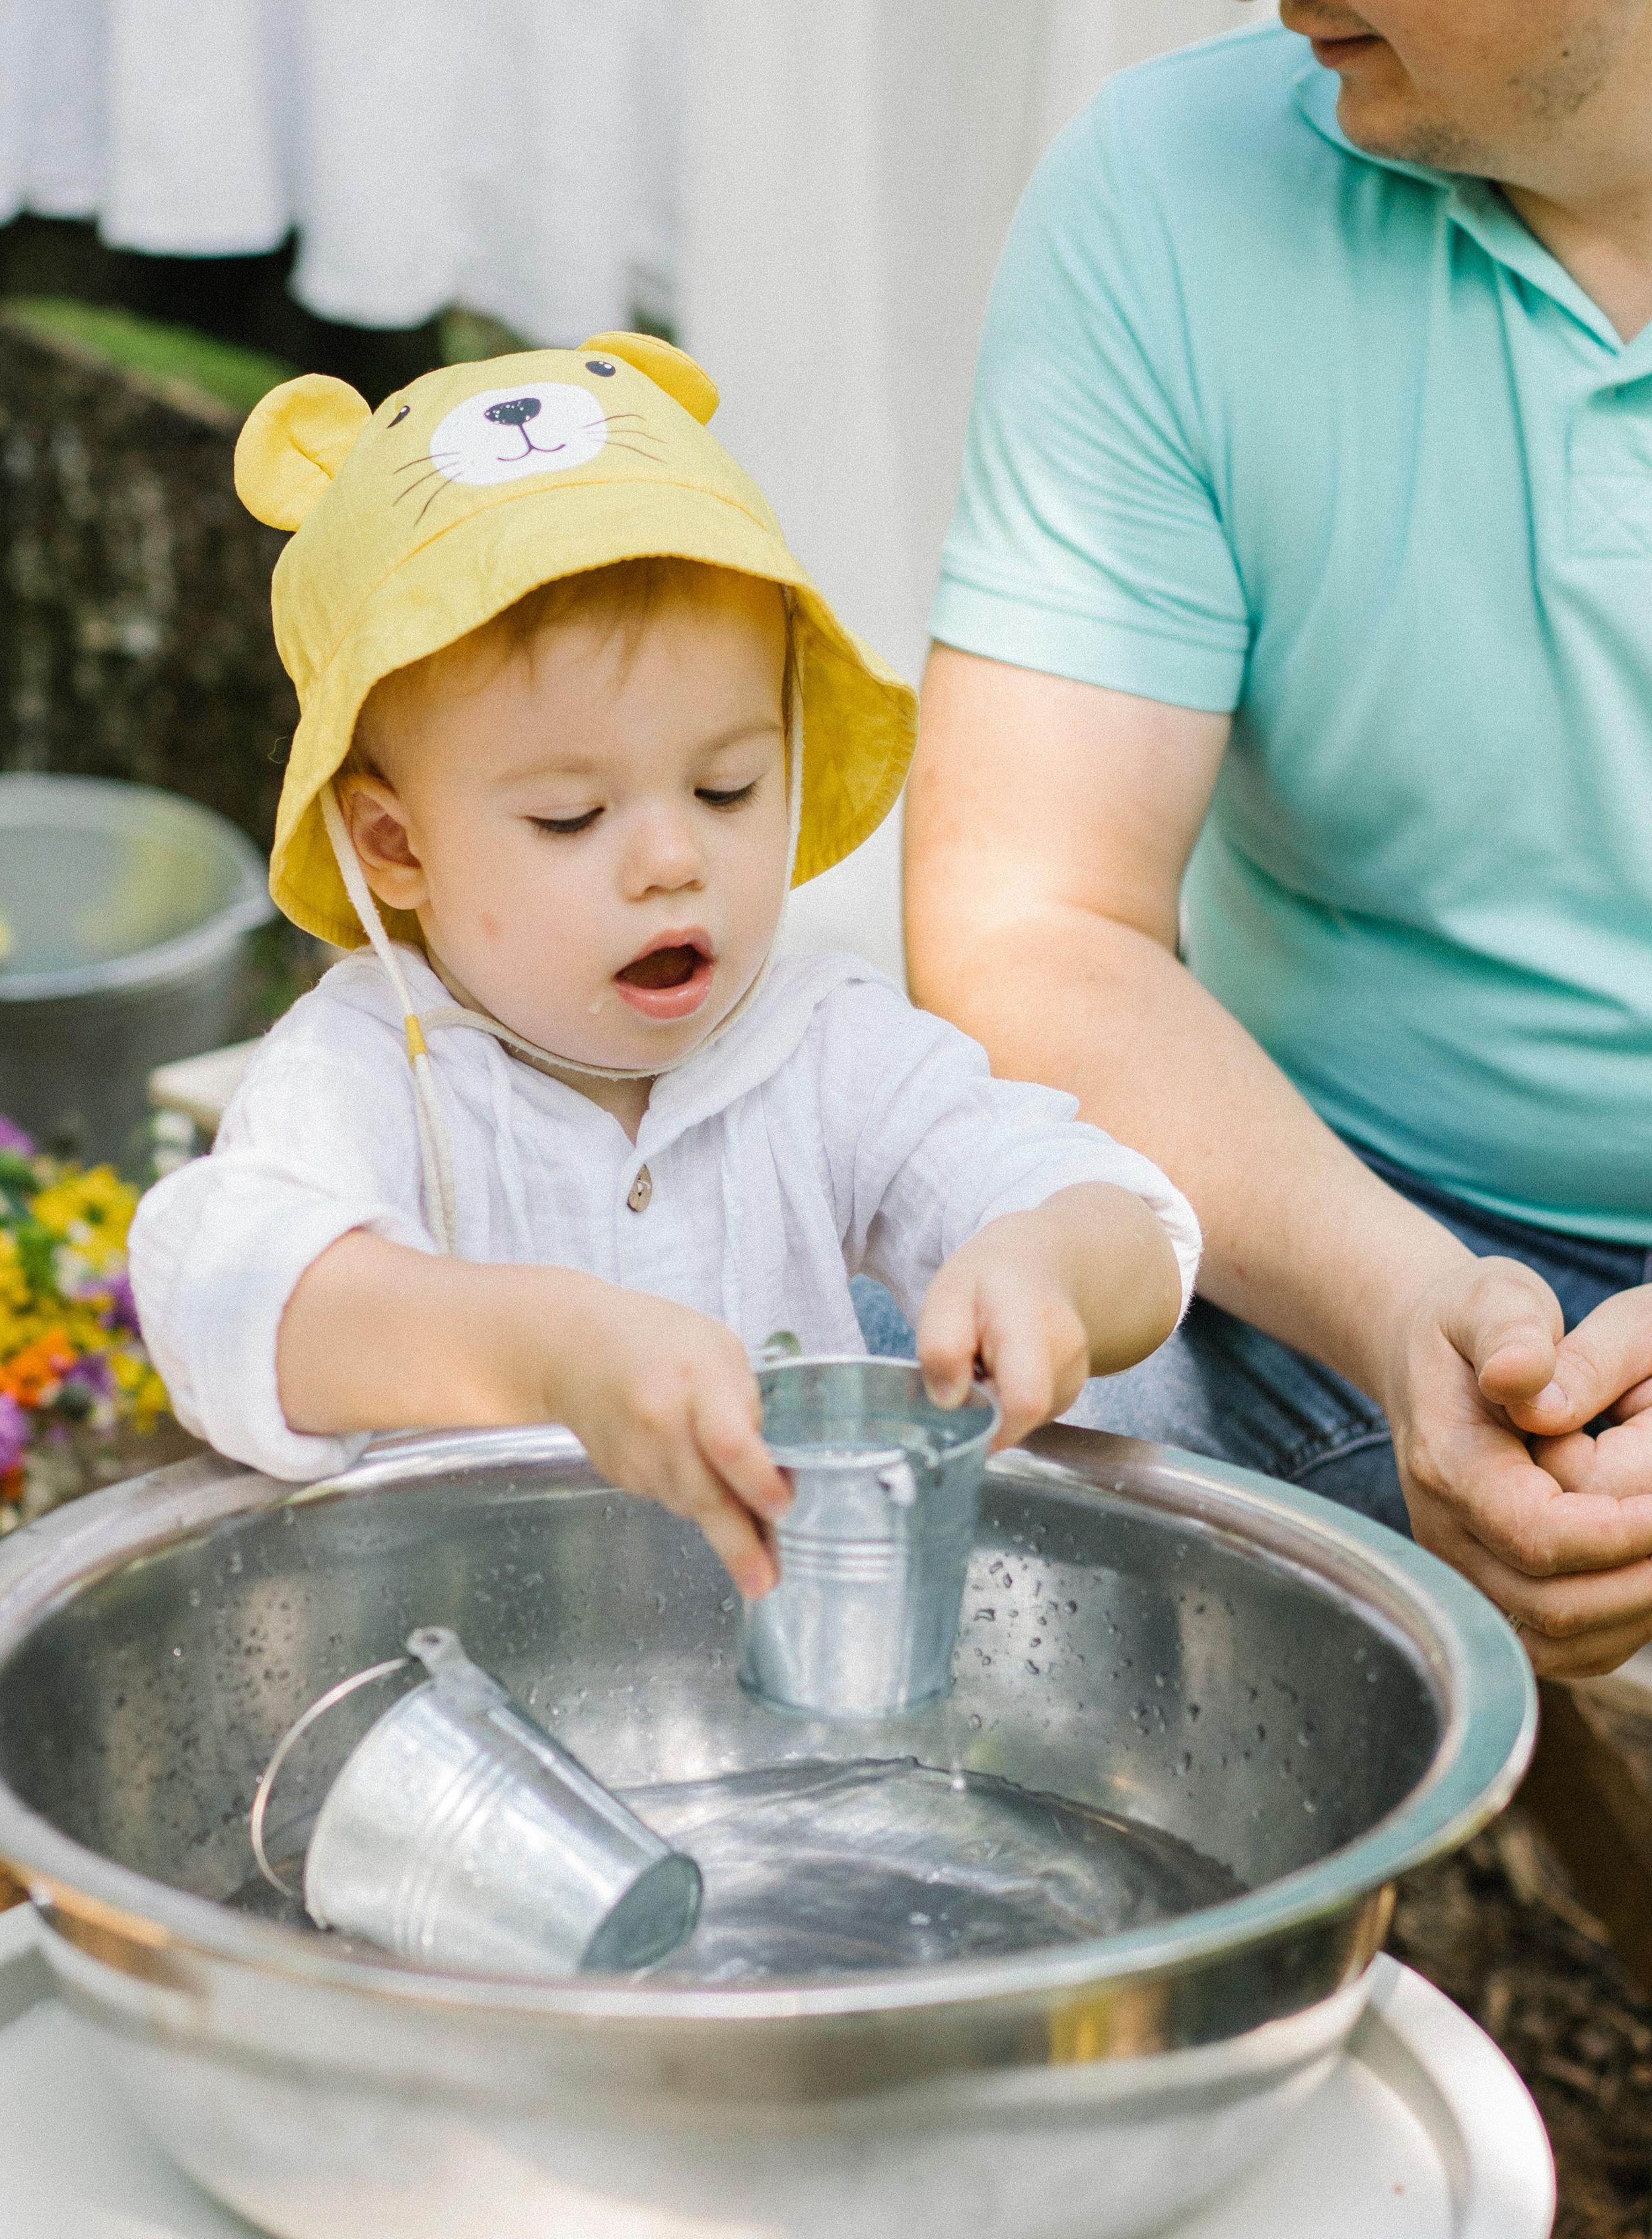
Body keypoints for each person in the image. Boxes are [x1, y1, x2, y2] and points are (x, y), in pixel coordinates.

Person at [129, 334, 1199, 1599]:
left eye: (729, 786)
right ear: (393, 844)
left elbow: (1120, 1211)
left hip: (776, 1680)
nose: (671, 859)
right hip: (460, 1686)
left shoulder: (818, 1044)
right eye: (571, 819)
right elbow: (220, 1287)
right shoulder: (369, 1070)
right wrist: (550, 1352)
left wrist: (1050, 1268)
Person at [906, 0, 1652, 1677]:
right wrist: (1401, 1312)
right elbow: (1029, 917)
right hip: (1316, 1237)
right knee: (905, 1398)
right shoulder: (1165, 188)